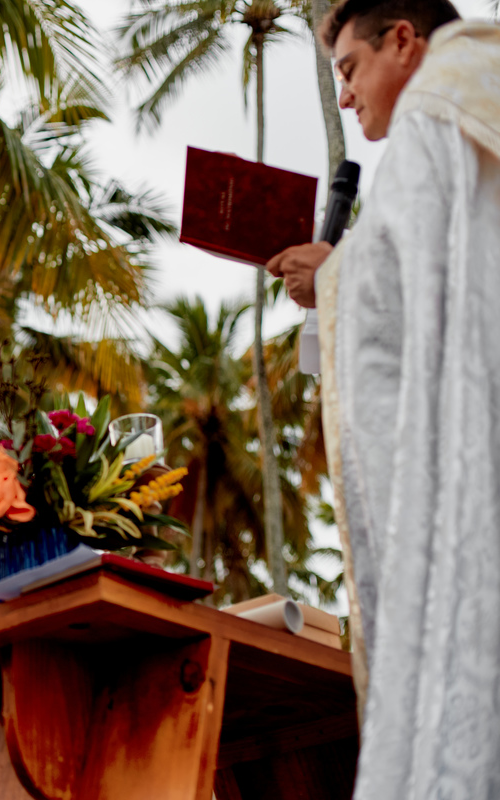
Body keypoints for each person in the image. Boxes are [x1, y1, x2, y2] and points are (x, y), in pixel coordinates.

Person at [266, 1, 500, 795]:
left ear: (404, 40)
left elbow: (406, 302)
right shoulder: (480, 95)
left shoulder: (441, 108)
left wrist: (329, 276)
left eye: (348, 69)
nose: (344, 96)